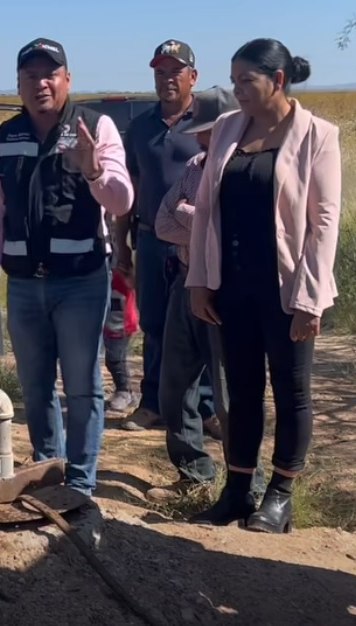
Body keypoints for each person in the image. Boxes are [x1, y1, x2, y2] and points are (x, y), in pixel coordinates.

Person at [187, 39, 341, 533]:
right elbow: (206, 209)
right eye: (233, 81)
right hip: (232, 286)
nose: (237, 91)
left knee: (291, 391)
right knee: (242, 390)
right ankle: (237, 491)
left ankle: (280, 495)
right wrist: (199, 280)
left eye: (246, 81)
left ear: (277, 80)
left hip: (287, 288)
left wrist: (310, 299)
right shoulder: (228, 128)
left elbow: (323, 223)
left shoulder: (317, 135)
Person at [0, 38, 133, 496]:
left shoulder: (95, 127)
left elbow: (122, 201)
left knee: (82, 386)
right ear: (18, 84)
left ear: (67, 79)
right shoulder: (3, 137)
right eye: (31, 76)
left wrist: (93, 170)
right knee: (35, 385)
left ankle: (80, 481)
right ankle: (48, 469)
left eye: (50, 74)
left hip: (81, 282)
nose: (40, 83)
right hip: (24, 284)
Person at [117, 40, 237, 432]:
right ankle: (153, 403)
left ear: (193, 77)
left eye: (175, 71)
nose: (167, 79)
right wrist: (122, 245)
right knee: (154, 324)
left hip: (197, 242)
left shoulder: (208, 122)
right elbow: (129, 189)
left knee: (202, 322)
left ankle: (205, 408)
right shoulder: (140, 127)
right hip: (151, 240)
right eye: (160, 72)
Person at [148, 112, 226, 493]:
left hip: (225, 288)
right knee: (175, 385)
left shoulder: (239, 168)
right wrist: (195, 220)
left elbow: (222, 229)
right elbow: (161, 225)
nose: (198, 139)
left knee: (228, 390)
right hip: (184, 278)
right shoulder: (195, 166)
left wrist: (184, 211)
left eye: (205, 132)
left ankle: (248, 484)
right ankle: (193, 474)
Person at [102, 251, 139, 414]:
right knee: (112, 358)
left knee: (115, 359)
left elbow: (132, 282)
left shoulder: (123, 261)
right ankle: (125, 391)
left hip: (120, 320)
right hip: (105, 317)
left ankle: (125, 391)